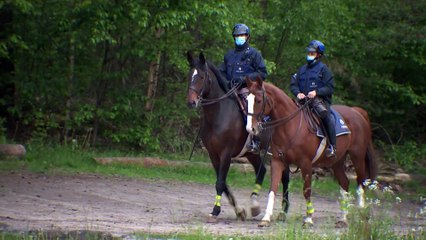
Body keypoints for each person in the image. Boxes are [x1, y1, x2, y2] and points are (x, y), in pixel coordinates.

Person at [220, 23, 268, 152]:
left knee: (251, 108)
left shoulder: (254, 54)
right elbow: (221, 72)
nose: (239, 38)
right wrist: (226, 82)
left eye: (242, 35)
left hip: (248, 89)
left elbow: (262, 73)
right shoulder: (229, 55)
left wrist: (244, 80)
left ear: (247, 37)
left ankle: (255, 140)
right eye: (237, 36)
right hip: (230, 89)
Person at [290, 40, 336, 158]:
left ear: (319, 55)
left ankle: (332, 146)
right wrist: (298, 93)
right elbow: (293, 84)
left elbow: (330, 88)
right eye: (308, 53)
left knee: (326, 116)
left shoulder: (324, 70)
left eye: (312, 53)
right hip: (302, 101)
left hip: (319, 101)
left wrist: (316, 92)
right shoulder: (301, 70)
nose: (309, 55)